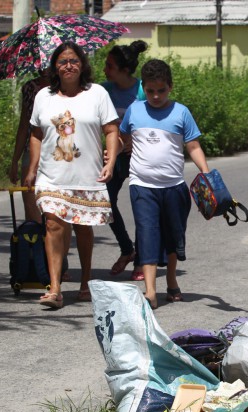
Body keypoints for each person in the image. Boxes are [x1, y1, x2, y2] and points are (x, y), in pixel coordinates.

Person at [24, 42, 119, 309]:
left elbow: (111, 130)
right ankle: (55, 288)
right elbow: (35, 134)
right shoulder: (44, 96)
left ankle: (85, 280)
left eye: (74, 61)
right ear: (55, 66)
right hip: (51, 176)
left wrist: (110, 162)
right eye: (63, 61)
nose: (69, 65)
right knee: (53, 225)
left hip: (86, 175)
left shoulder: (97, 93)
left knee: (83, 228)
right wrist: (32, 168)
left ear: (82, 65)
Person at [119, 59, 211, 310]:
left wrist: (206, 174)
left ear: (170, 87)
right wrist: (113, 153)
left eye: (161, 90)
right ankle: (150, 291)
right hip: (142, 186)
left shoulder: (181, 112)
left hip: (174, 187)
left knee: (173, 237)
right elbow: (123, 136)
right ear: (143, 88)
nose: (156, 96)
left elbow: (193, 146)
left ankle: (171, 279)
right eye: (150, 91)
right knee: (147, 234)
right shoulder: (134, 111)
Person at [101, 41, 148, 281]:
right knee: (106, 202)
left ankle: (140, 260)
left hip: (140, 155)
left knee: (142, 206)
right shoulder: (103, 90)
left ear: (124, 70)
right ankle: (127, 249)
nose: (105, 70)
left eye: (109, 66)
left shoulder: (142, 89)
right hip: (114, 156)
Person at [9, 69, 49, 223]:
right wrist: (15, 160)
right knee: (30, 200)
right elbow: (24, 126)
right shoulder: (30, 88)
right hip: (31, 148)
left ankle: (50, 241)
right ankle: (38, 241)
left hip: (59, 150)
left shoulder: (66, 87)